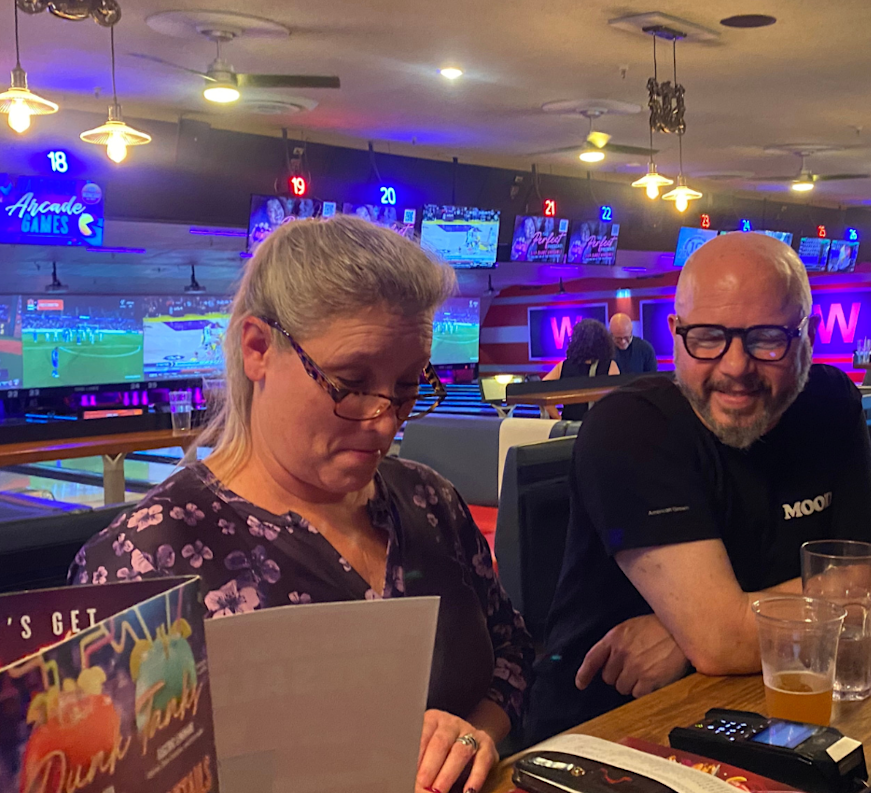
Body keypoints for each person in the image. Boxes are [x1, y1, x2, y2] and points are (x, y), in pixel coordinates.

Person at [70, 216, 533, 793]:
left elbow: (513, 654)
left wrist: (472, 735)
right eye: (350, 382)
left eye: (409, 385)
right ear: (258, 349)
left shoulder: (431, 500)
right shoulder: (146, 560)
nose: (385, 420)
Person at [526, 233, 871, 741]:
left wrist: (690, 632)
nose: (736, 367)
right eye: (707, 337)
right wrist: (719, 631)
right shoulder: (631, 427)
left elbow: (870, 578)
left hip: (769, 708)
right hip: (609, 729)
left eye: (767, 338)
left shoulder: (832, 403)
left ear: (807, 335)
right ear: (676, 334)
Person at [543, 319, 621, 420]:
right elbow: (616, 399)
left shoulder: (564, 365)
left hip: (569, 423)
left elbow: (542, 389)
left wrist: (557, 417)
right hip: (597, 422)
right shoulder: (610, 365)